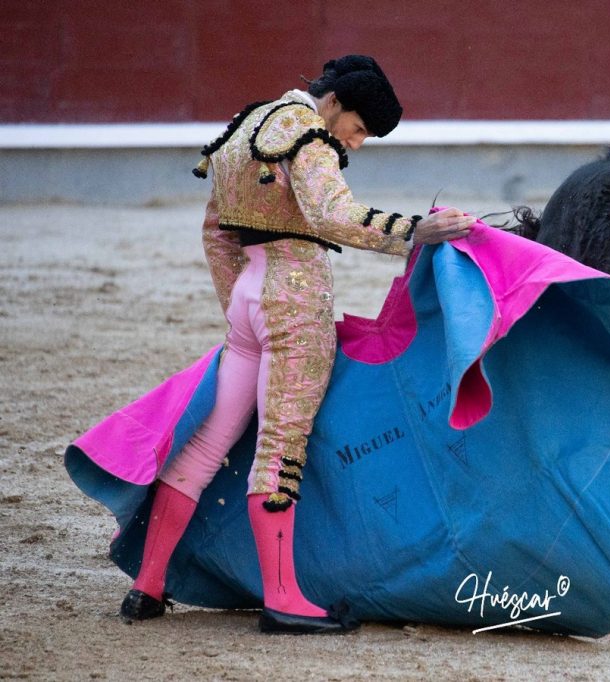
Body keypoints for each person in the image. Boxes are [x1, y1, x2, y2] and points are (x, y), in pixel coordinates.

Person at [117, 55, 474, 634]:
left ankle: (148, 584)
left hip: (248, 299)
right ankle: (283, 598)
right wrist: (414, 231)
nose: (354, 143)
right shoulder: (309, 135)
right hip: (295, 301)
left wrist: (242, 304)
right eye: (358, 129)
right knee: (281, 447)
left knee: (205, 445)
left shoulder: (245, 126)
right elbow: (332, 214)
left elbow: (216, 230)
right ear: (334, 103)